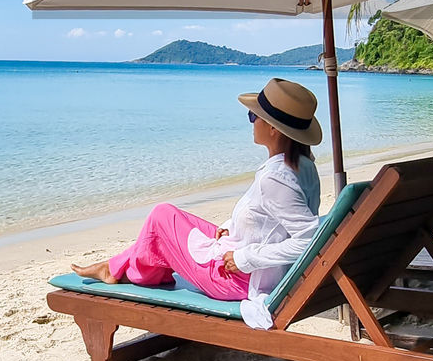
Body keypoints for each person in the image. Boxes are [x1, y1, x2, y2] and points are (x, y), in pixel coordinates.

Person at [71, 77, 322, 329]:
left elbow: (307, 241)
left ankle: (118, 270)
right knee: (170, 226)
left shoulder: (276, 178)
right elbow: (271, 223)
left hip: (236, 278)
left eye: (252, 116)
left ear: (273, 128)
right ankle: (116, 268)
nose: (252, 121)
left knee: (161, 216)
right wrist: (232, 226)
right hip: (250, 266)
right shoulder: (304, 166)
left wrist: (245, 257)